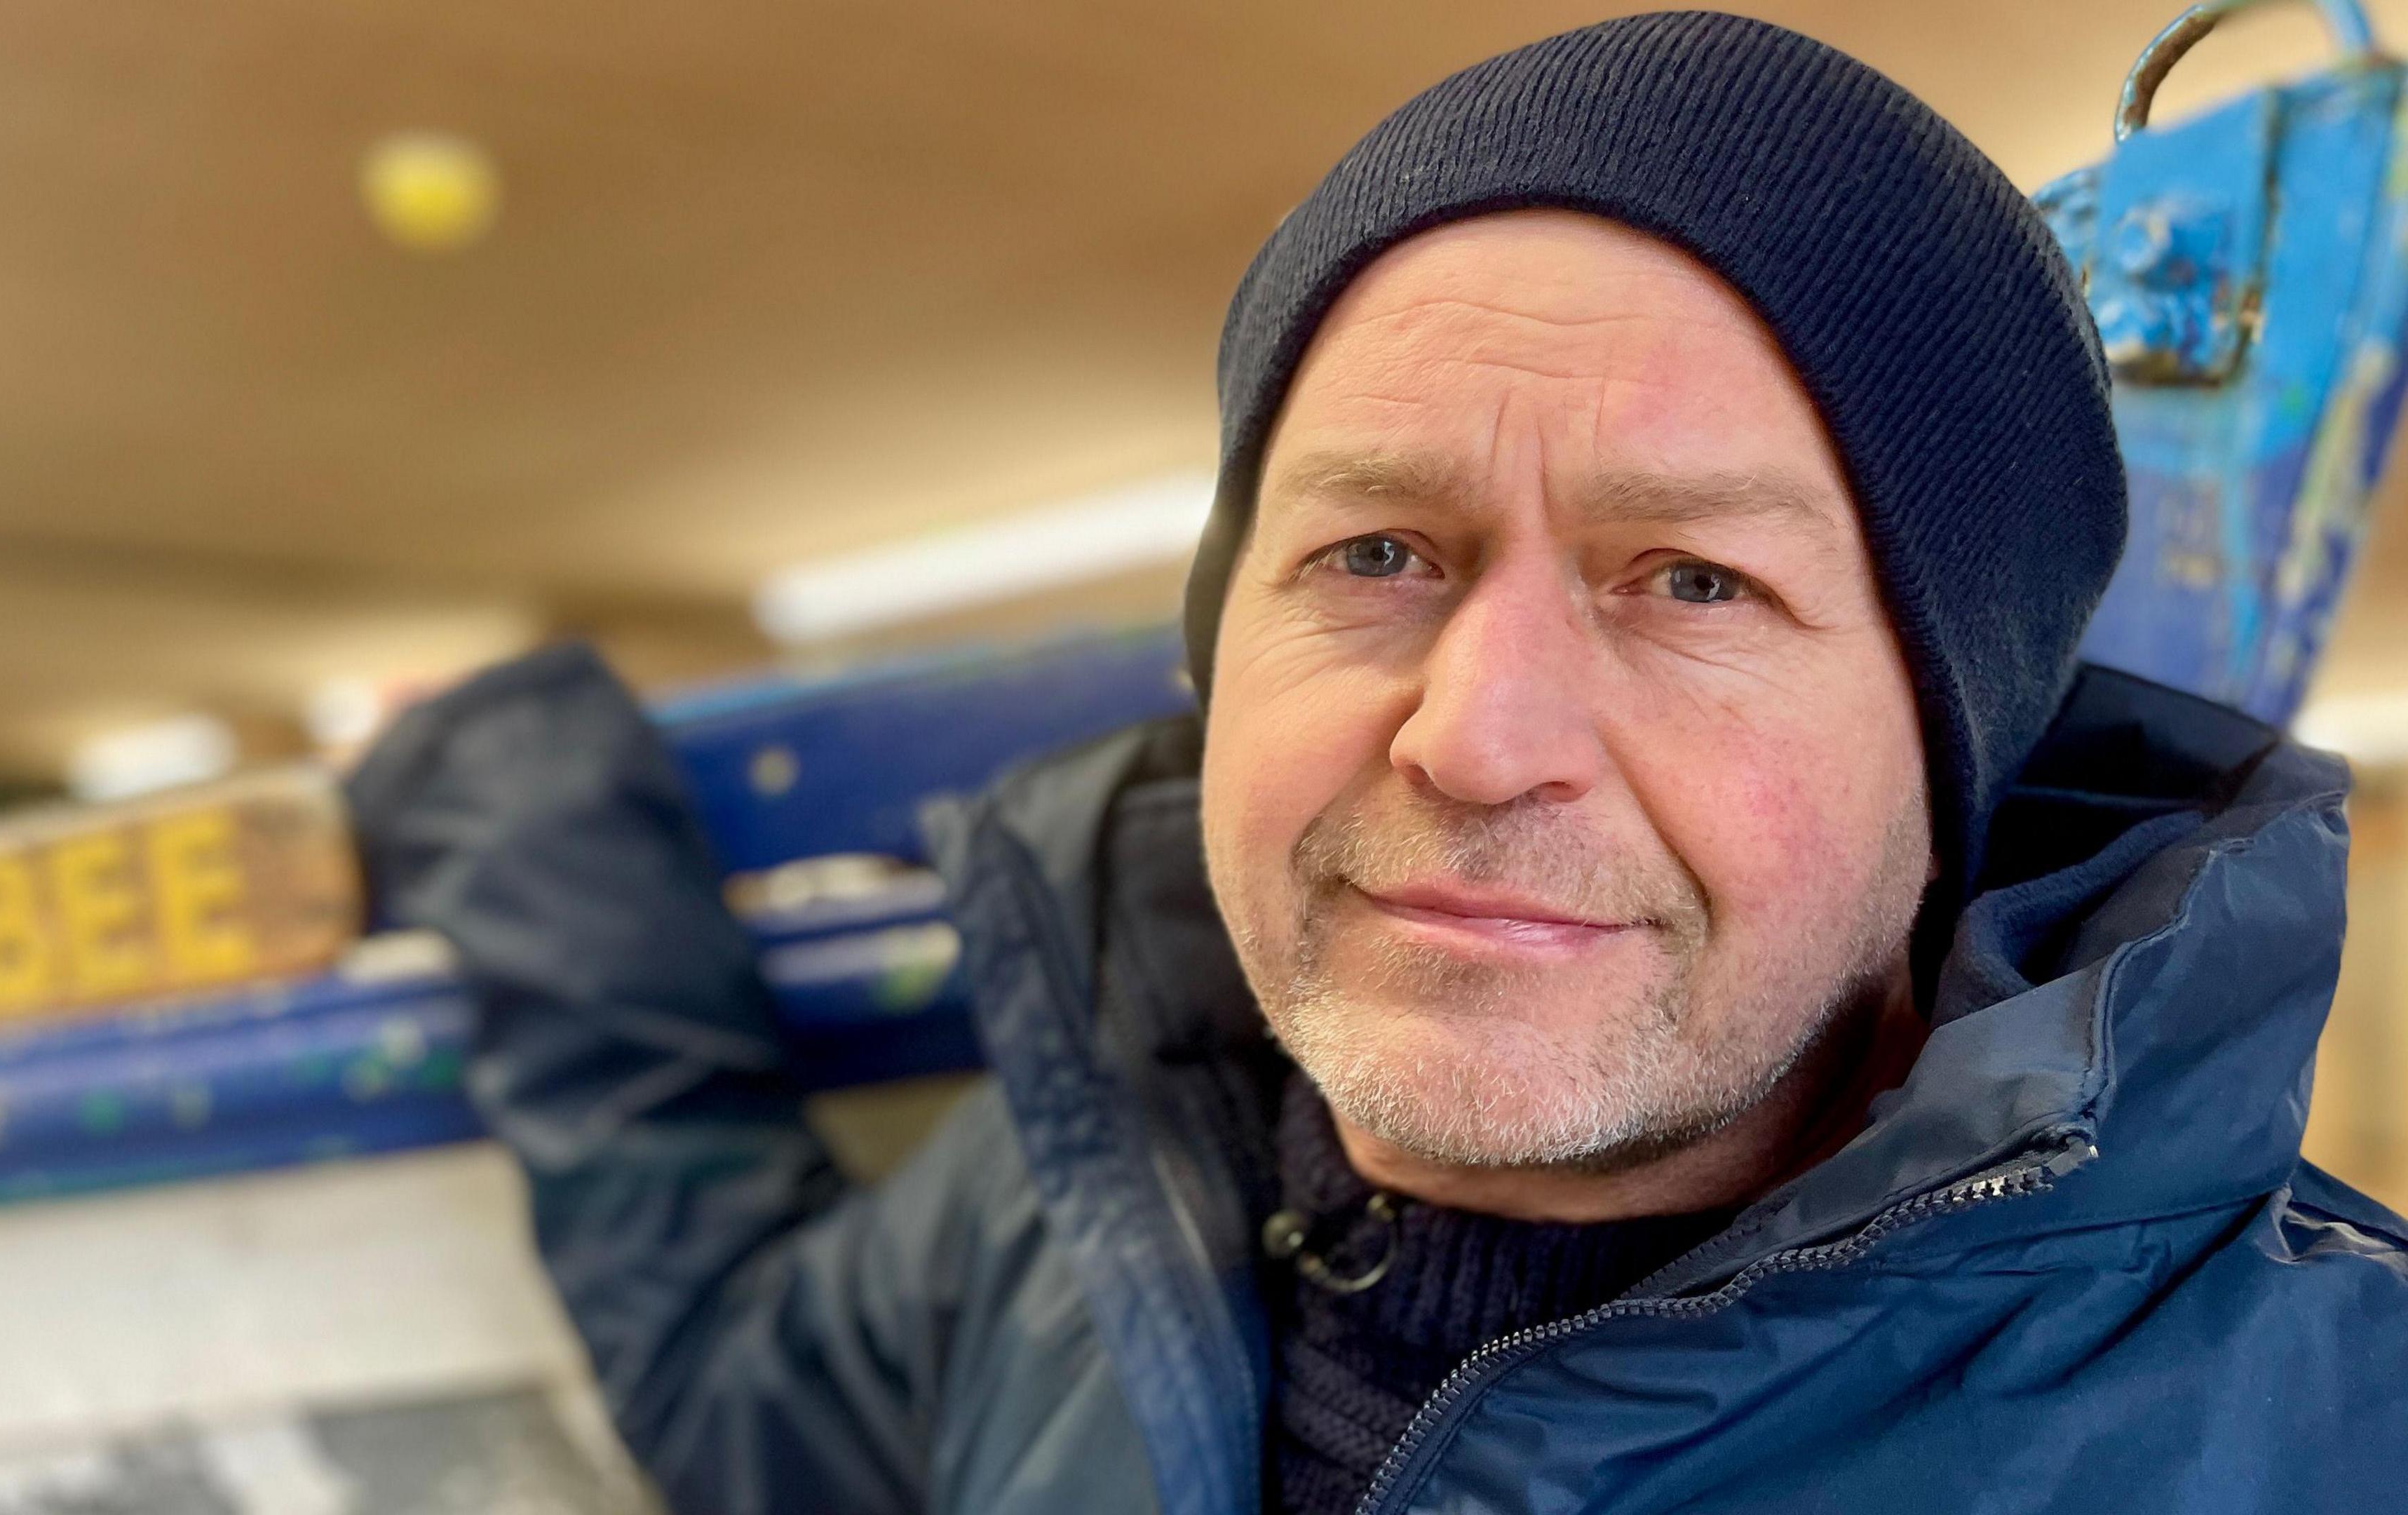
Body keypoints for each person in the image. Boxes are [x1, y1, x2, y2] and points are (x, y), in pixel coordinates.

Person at [347, 12, 2408, 1514]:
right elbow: (740, 1383)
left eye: (1690, 582)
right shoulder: (1092, 1209)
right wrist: (515, 804)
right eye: (1377, 554)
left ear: (1953, 745)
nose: (1480, 734)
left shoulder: (2334, 1432)